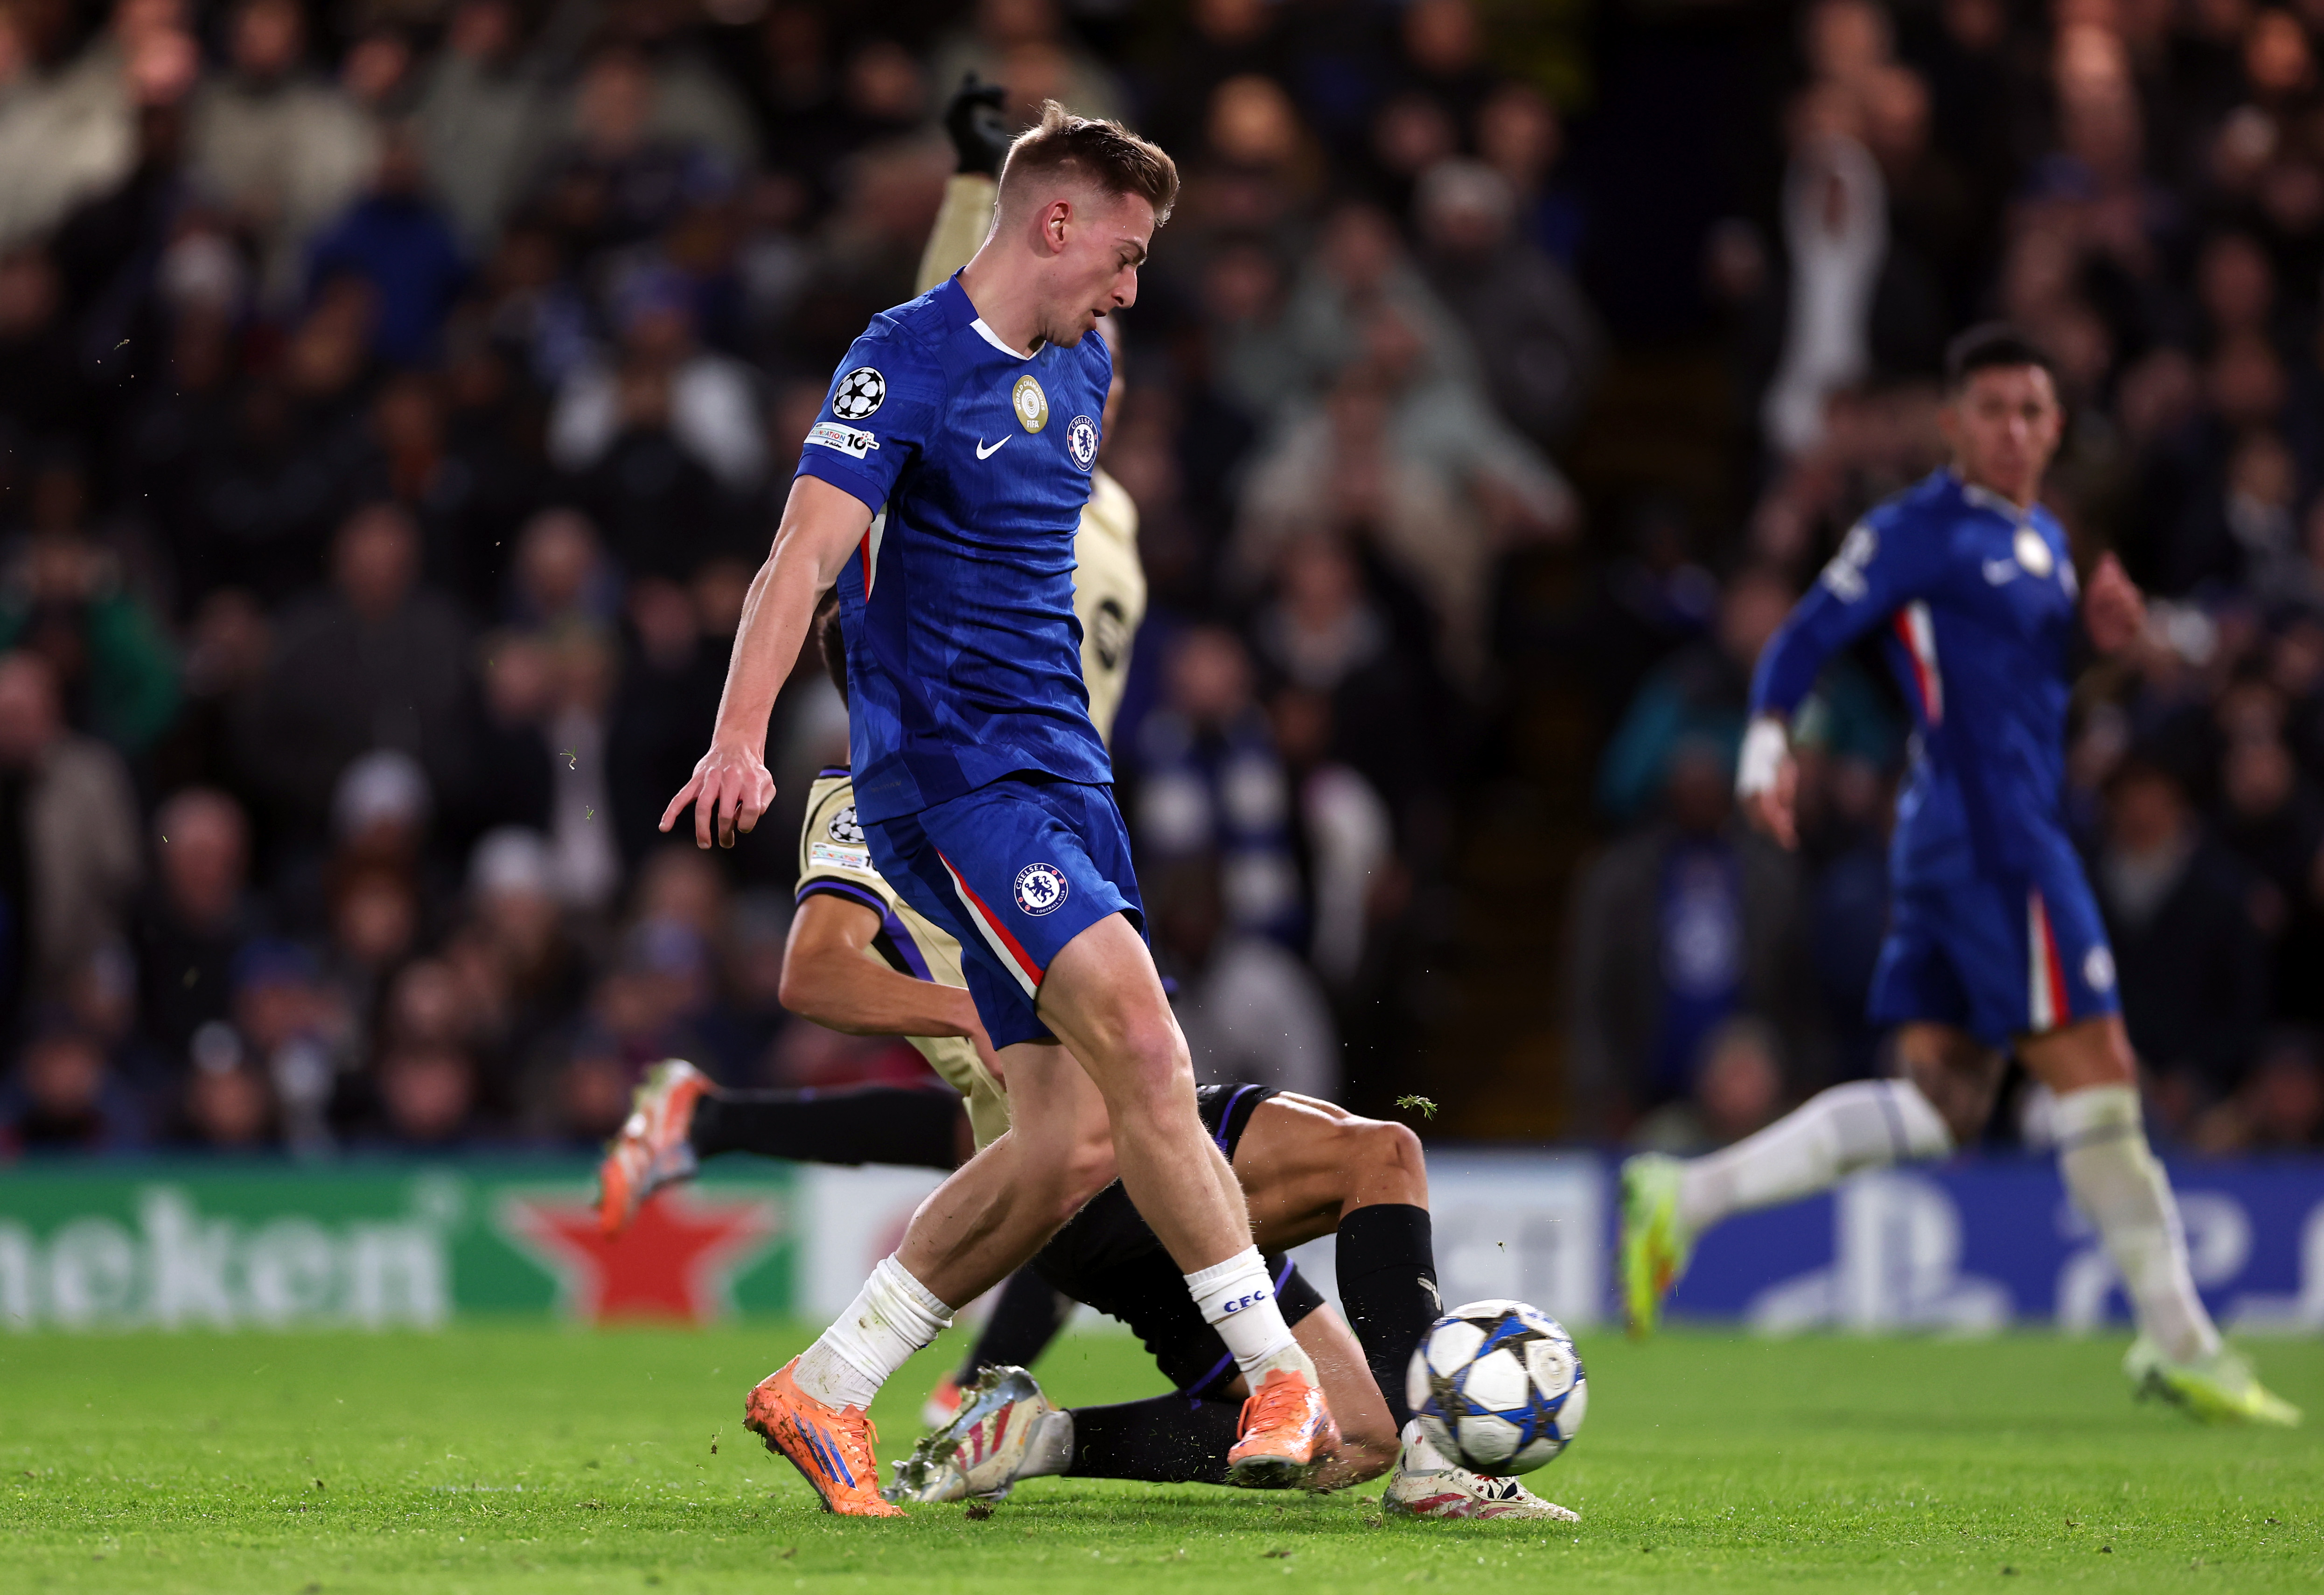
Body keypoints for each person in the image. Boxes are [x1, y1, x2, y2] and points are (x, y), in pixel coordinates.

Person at [658, 101, 1336, 1516]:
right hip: (955, 779)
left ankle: (827, 1384)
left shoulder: (1083, 363)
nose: (1131, 289)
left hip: (1066, 775)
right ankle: (1277, 1375)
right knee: (1147, 1042)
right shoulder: (900, 359)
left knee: (1067, 1144)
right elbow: (801, 555)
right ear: (1055, 223)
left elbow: (1040, 349)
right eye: (1124, 255)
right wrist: (738, 738)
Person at [603, 607, 1573, 1521]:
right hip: (1077, 1158)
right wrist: (967, 1012)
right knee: (1381, 1156)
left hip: (1125, 1142)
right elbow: (813, 972)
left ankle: (1041, 1436)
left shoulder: (987, 771)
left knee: (1354, 1435)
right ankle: (1439, 1458)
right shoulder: (872, 797)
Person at [1619, 326, 2300, 1428]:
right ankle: (2184, 1342)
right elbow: (1804, 634)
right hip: (1996, 842)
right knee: (2102, 1075)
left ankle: (1685, 1192)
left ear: (2057, 426)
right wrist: (1766, 746)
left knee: (1943, 1105)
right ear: (1952, 422)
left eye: (2032, 411)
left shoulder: (2044, 538)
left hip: (1966, 838)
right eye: (1992, 410)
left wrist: (2100, 643)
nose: (2013, 430)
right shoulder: (1917, 530)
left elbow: (2025, 686)